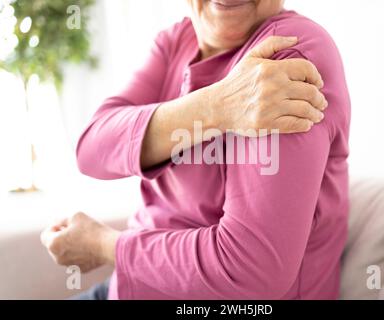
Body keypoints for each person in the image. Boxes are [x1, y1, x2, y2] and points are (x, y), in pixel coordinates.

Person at [41, 0, 351, 300]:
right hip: (122, 289)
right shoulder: (179, 39)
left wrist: (103, 245)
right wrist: (218, 105)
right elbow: (92, 149)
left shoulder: (285, 57)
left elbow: (249, 271)